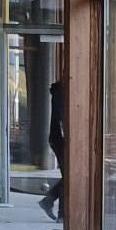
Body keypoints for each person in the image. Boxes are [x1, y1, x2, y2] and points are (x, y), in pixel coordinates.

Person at [39, 79, 66, 222]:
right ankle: (61, 213)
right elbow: (61, 119)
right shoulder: (62, 92)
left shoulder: (58, 92)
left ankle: (49, 201)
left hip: (58, 138)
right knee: (69, 177)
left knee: (68, 176)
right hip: (62, 139)